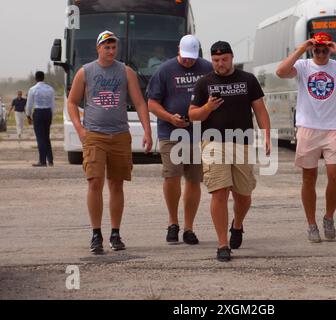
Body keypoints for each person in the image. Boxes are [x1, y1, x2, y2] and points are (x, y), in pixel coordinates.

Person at [67, 30, 153, 254]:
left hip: (119, 135)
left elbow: (140, 103)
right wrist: (80, 129)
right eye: (106, 47)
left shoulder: (126, 72)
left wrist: (147, 131)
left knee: (116, 183)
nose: (111, 51)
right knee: (94, 181)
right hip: (94, 134)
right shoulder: (85, 72)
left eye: (114, 47)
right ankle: (96, 234)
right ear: (98, 48)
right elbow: (72, 102)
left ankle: (115, 232)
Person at [276, 32, 336, 243]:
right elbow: (280, 72)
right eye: (318, 49)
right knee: (309, 177)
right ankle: (311, 224)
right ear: (312, 49)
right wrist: (301, 48)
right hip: (308, 127)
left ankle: (329, 217)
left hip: (332, 127)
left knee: (335, 175)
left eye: (325, 50)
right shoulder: (304, 66)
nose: (322, 53)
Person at [189, 41, 271, 262]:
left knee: (243, 195)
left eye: (224, 59)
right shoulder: (204, 83)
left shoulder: (248, 80)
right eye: (215, 60)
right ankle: (222, 244)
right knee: (219, 191)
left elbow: (260, 110)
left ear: (232, 57)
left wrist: (266, 136)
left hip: (242, 142)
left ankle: (237, 224)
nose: (220, 64)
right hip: (213, 143)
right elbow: (193, 115)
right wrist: (207, 108)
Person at [147, 35, 213, 245]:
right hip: (171, 133)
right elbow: (152, 103)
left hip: (199, 133)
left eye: (192, 58)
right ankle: (172, 223)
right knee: (172, 177)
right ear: (178, 50)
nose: (188, 62)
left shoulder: (207, 68)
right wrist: (170, 118)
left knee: (194, 180)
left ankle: (189, 228)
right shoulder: (165, 70)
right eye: (185, 58)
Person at [26, 72, 56, 167]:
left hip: (38, 113)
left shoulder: (33, 89)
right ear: (43, 78)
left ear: (36, 78)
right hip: (48, 113)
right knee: (46, 136)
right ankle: (50, 160)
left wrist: (28, 116)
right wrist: (51, 114)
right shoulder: (50, 89)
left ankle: (42, 161)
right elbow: (53, 104)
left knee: (40, 137)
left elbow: (29, 105)